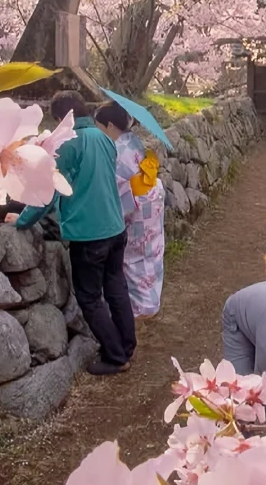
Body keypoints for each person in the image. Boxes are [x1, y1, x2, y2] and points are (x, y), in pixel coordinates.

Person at [14, 93, 136, 376]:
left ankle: (116, 357)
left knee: (90, 297)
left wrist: (21, 222)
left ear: (60, 119)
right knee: (117, 289)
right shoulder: (103, 138)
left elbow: (49, 189)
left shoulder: (68, 143)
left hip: (88, 233)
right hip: (115, 228)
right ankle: (126, 346)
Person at [95, 102, 166, 318]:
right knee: (150, 252)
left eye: (97, 125)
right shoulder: (131, 139)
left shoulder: (116, 150)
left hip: (137, 204)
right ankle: (149, 301)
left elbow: (112, 186)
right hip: (150, 199)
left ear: (108, 125)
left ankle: (139, 308)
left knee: (134, 256)